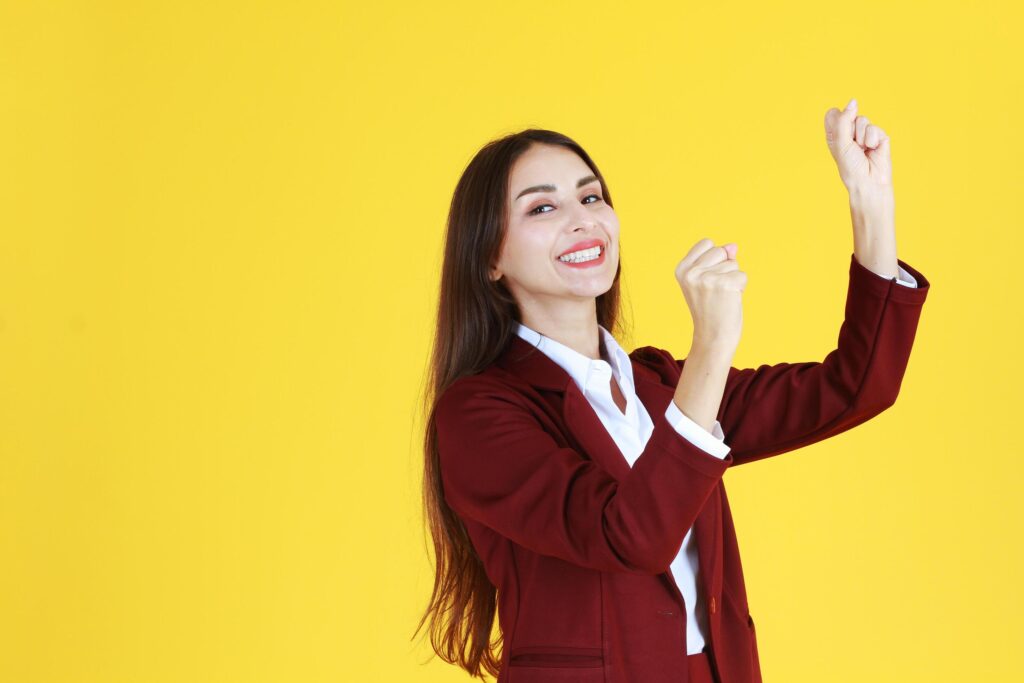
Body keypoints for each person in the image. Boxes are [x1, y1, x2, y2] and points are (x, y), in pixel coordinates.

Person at [414, 99, 930, 683]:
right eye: (543, 208)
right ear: (489, 258)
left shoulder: (658, 385)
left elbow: (856, 386)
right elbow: (628, 535)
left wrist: (872, 203)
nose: (582, 219)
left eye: (590, 197)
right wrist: (711, 346)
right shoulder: (479, 414)